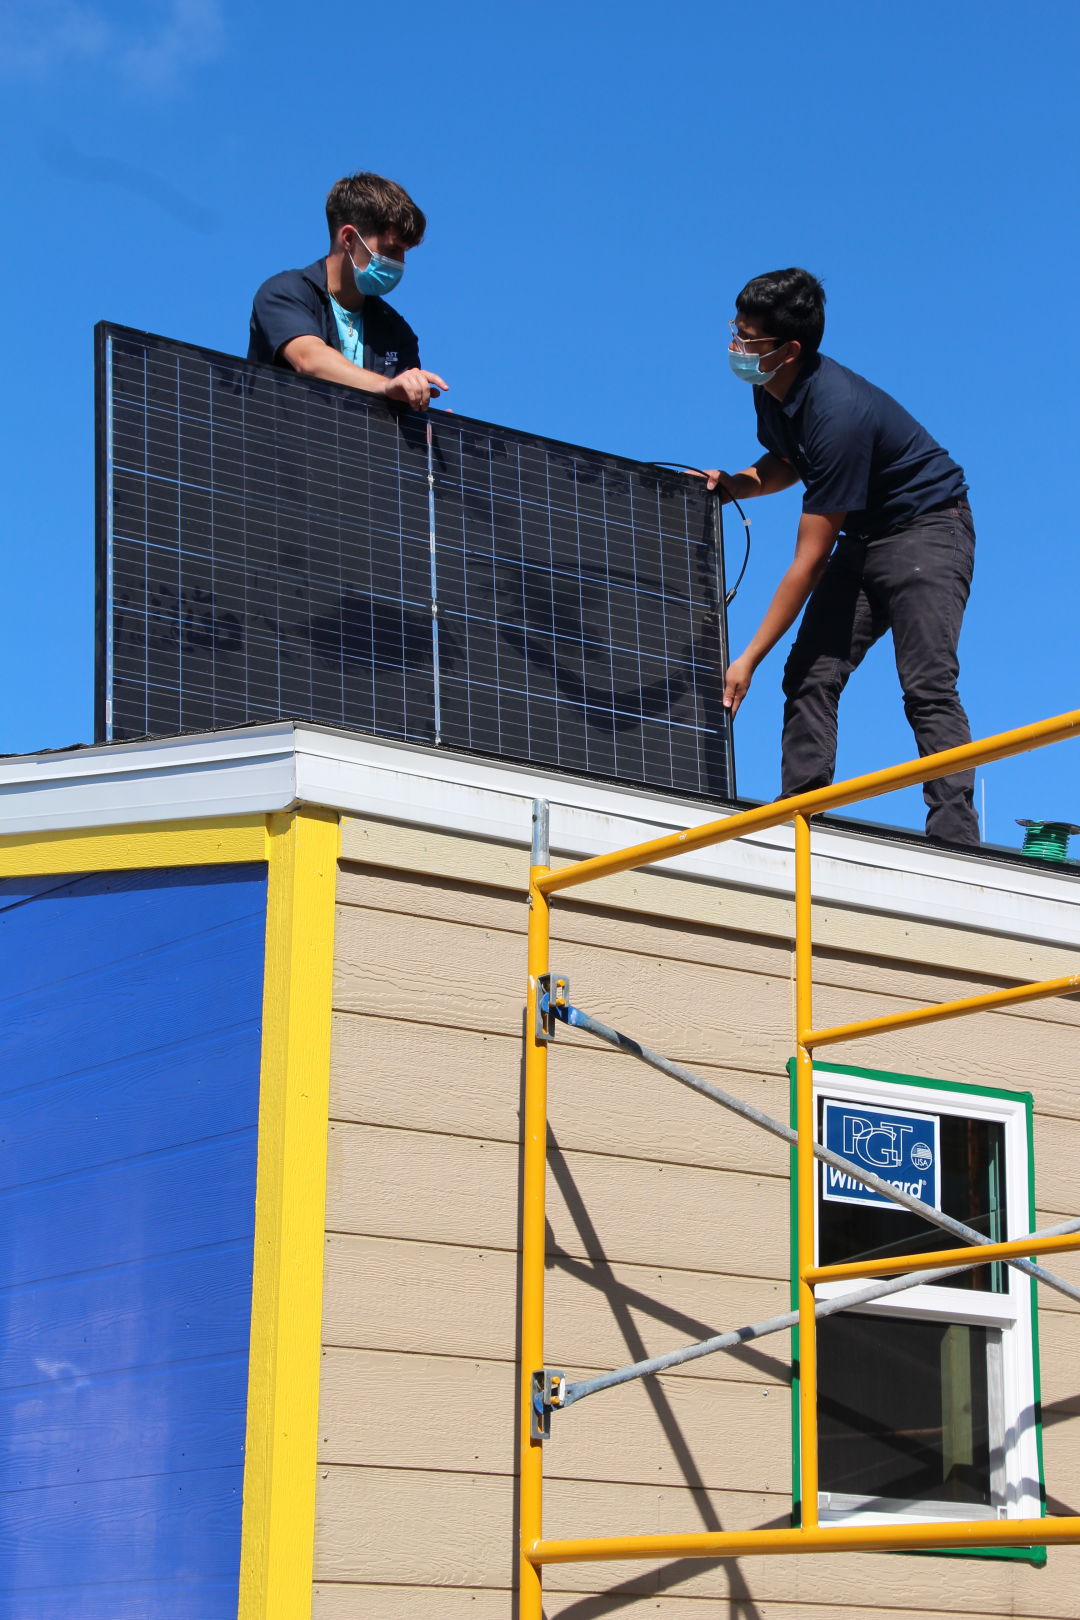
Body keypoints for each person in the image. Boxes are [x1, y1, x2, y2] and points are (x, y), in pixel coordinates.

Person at [704, 267, 979, 846]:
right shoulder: (772, 392)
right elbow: (783, 462)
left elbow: (806, 564)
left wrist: (746, 658)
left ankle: (955, 839)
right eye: (736, 328)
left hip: (928, 529)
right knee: (809, 672)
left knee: (927, 685)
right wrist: (735, 485)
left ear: (789, 349)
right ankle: (800, 811)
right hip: (868, 535)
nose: (736, 346)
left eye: (748, 339)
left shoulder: (838, 414)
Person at [248, 171, 448, 411]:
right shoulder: (284, 293)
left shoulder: (397, 332)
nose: (400, 262)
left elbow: (400, 420)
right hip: (284, 447)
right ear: (349, 238)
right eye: (391, 250)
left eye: (404, 252)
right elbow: (309, 360)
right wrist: (386, 386)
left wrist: (427, 428)